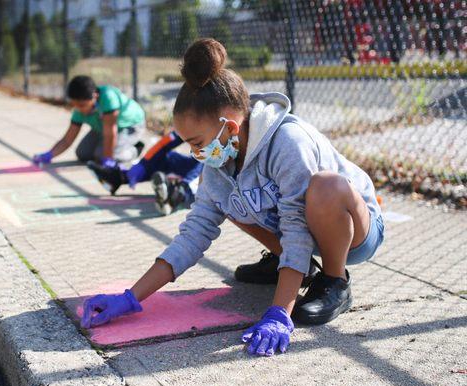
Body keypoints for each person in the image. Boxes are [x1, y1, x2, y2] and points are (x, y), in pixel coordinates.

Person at [81, 39, 384, 357]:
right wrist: (131, 298)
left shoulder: (288, 142)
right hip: (308, 229)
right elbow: (193, 234)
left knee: (326, 186)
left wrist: (280, 311)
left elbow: (296, 227)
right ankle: (294, 267)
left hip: (353, 231)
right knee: (232, 199)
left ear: (229, 124)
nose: (195, 153)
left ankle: (335, 281)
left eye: (197, 142)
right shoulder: (217, 168)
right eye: (189, 145)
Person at [33, 75, 146, 167]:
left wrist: (108, 159)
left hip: (130, 126)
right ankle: (110, 151)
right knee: (82, 153)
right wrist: (49, 155)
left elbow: (110, 133)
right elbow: (67, 139)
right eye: (74, 105)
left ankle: (136, 149)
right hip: (103, 128)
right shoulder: (79, 108)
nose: (78, 109)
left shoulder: (108, 98)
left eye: (82, 105)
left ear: (95, 96)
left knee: (104, 155)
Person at [87, 131, 203, 215]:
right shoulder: (193, 116)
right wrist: (144, 163)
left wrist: (184, 185)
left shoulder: (217, 121)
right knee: (166, 158)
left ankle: (176, 196)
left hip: (211, 174)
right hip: (193, 165)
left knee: (205, 161)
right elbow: (166, 141)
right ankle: (119, 178)